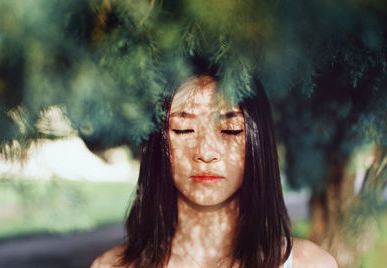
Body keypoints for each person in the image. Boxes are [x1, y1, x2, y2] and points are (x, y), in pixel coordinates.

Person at [91, 58, 338, 268]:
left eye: (231, 130)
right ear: (158, 143)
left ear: (258, 141)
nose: (206, 153)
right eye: (183, 129)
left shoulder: (309, 263)